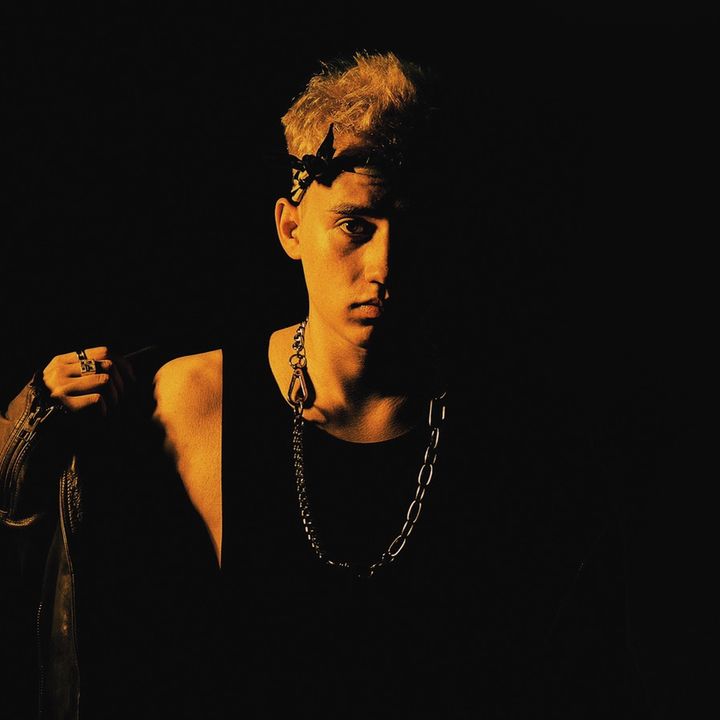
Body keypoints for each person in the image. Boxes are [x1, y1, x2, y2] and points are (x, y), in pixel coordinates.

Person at [2, 50, 651, 719]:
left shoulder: (520, 443)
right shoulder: (192, 399)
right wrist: (32, 424)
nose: (384, 267)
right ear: (291, 228)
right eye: (355, 226)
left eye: (413, 227)